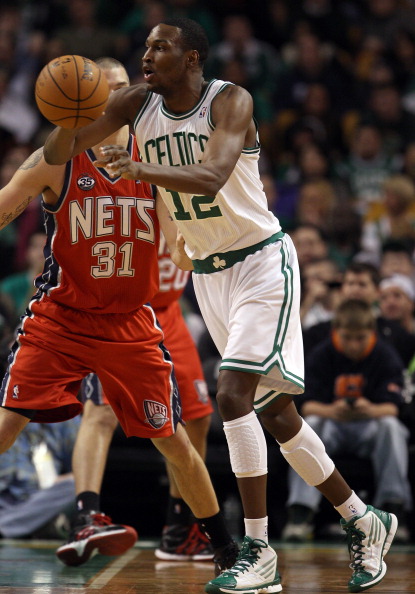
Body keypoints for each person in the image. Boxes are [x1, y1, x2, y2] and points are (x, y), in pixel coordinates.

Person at [44, 18, 398, 593]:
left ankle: (257, 552)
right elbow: (74, 144)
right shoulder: (136, 102)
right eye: (145, 45)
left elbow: (210, 176)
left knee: (232, 395)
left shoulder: (230, 100)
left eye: (161, 46)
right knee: (277, 415)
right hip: (211, 277)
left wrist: (140, 168)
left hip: (261, 261)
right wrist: (64, 120)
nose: (148, 54)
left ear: (192, 58)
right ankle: (363, 518)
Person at [0, 56, 238, 575]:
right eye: (95, 92)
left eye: (115, 90)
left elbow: (178, 245)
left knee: (173, 439)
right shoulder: (55, 158)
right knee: (7, 425)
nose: (106, 100)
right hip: (61, 318)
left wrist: (206, 257)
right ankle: (92, 514)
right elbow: (5, 204)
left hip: (130, 325)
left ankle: (225, 548)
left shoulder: (154, 164)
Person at [62, 228, 215, 565]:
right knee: (100, 414)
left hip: (170, 314)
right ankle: (85, 517)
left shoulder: (183, 184)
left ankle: (179, 529)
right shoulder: (128, 184)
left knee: (199, 415)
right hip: (123, 312)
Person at [283, 299, 412, 544]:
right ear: (336, 333)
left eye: (360, 338)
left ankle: (395, 510)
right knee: (309, 425)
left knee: (392, 428)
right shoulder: (322, 353)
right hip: (332, 428)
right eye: (347, 337)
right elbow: (306, 404)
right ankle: (301, 513)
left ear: (371, 333)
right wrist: (333, 410)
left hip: (370, 429)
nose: (353, 344)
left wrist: (370, 408)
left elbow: (393, 408)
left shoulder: (384, 354)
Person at [0, 418, 79, 539]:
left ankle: (7, 527)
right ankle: (30, 527)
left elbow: (83, 469)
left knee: (78, 485)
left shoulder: (66, 417)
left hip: (41, 500)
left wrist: (59, 481)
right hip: (3, 498)